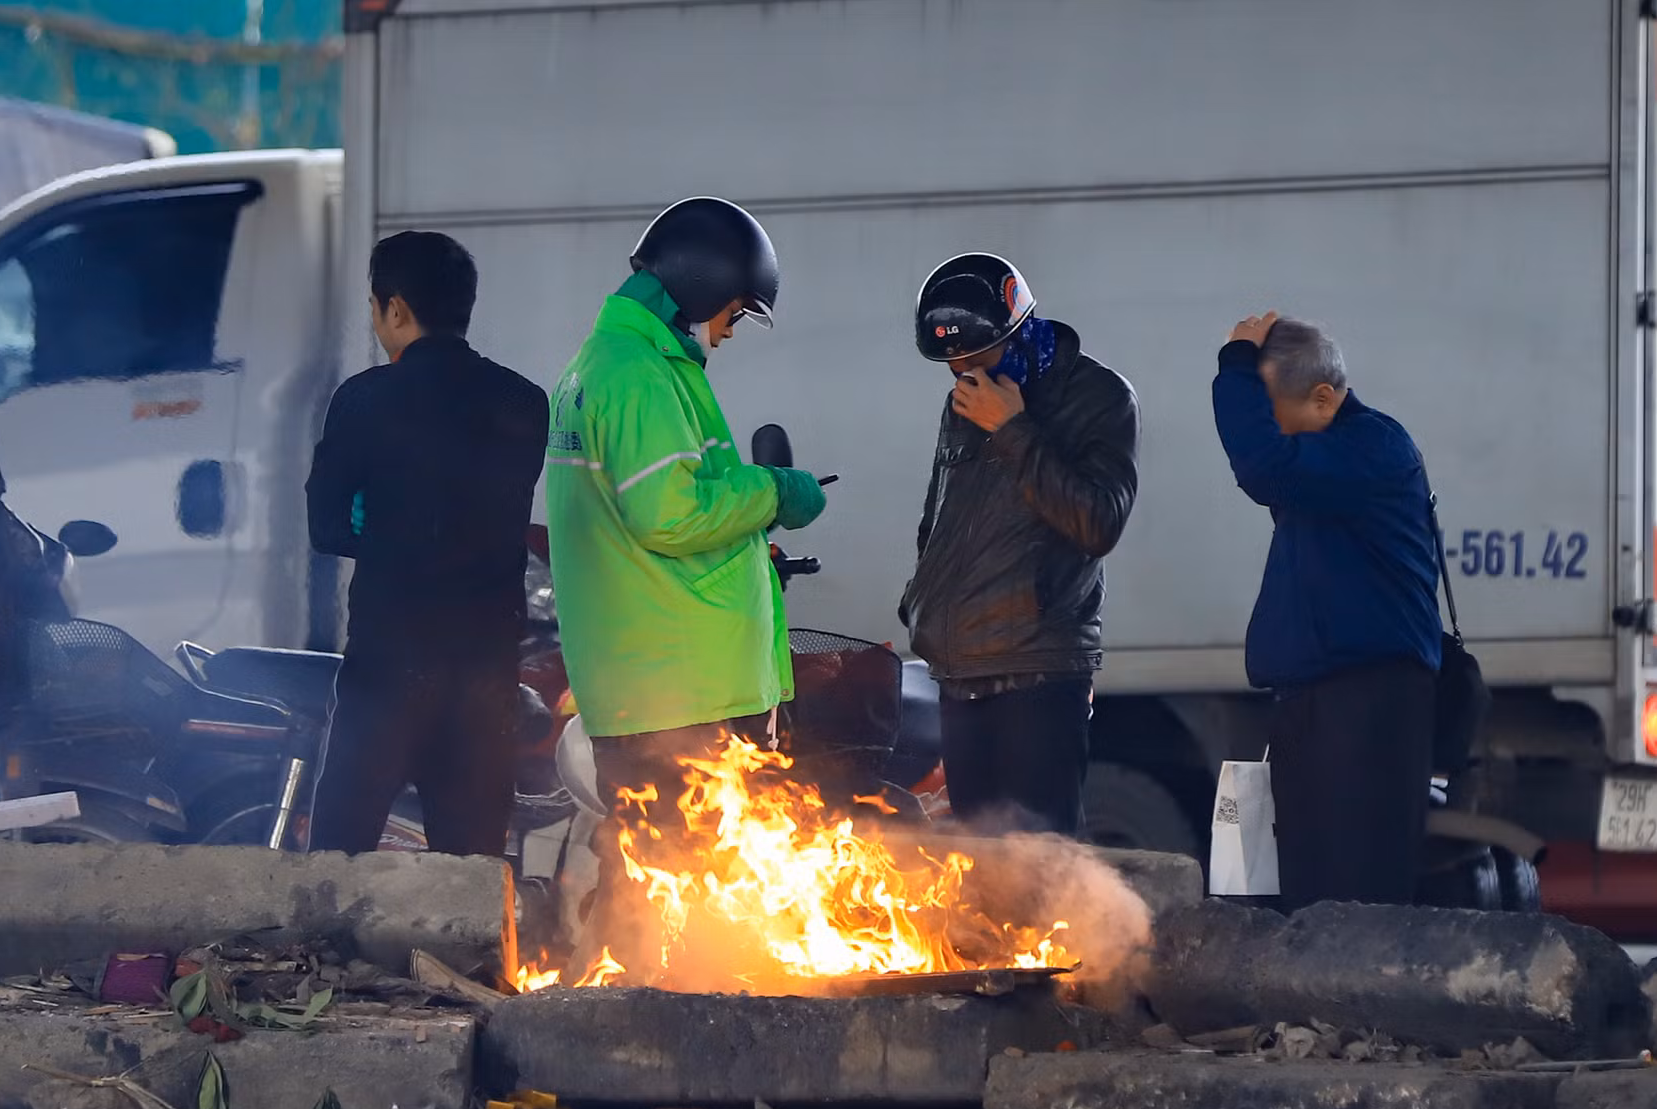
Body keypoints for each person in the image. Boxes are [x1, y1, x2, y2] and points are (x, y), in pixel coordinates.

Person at [545, 196, 828, 833]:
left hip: (657, 684)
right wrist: (774, 491)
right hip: (683, 695)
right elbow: (668, 516)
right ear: (703, 288)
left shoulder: (604, 366)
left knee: (660, 888)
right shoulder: (637, 374)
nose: (729, 330)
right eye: (735, 311)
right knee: (699, 890)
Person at [303, 231, 547, 857]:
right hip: (484, 672)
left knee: (340, 858)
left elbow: (325, 527)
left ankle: (332, 958)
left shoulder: (363, 399)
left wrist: (379, 525)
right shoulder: (524, 401)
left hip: (388, 665)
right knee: (472, 870)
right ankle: (476, 959)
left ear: (397, 308)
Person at [898, 253, 1140, 836]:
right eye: (949, 360)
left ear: (1017, 327)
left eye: (973, 353)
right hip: (960, 665)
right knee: (974, 872)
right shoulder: (966, 393)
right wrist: (922, 602)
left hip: (1037, 668)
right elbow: (942, 516)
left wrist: (1011, 430)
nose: (961, 368)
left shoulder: (1099, 396)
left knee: (1038, 871)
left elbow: (1099, 524)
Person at [1212, 311, 1442, 909]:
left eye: (1276, 415)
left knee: (1355, 897)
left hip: (1366, 705)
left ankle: (1357, 1005)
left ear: (1322, 399)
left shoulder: (1372, 447)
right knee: (1310, 898)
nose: (1273, 432)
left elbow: (1262, 465)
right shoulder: (1328, 462)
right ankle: (1314, 1006)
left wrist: (1235, 369)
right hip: (1318, 702)